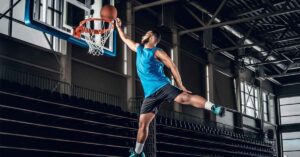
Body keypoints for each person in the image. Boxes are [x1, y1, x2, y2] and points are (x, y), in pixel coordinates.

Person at [115, 18, 225, 157]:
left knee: (185, 98)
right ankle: (138, 153)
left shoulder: (156, 51)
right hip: (149, 95)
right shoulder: (139, 49)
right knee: (143, 125)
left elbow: (171, 64)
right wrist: (118, 27)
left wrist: (180, 84)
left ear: (151, 36)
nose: (143, 35)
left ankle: (213, 107)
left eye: (146, 33)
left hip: (162, 86)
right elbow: (125, 39)